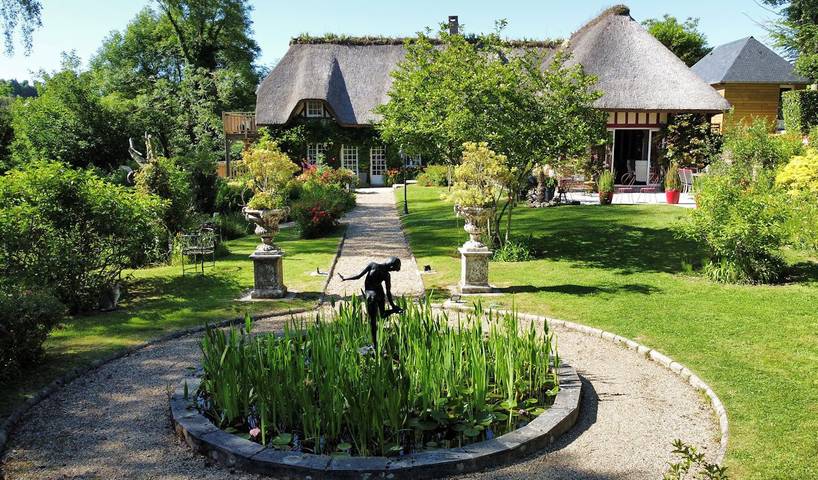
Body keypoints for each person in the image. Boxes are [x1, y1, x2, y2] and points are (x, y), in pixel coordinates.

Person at [338, 256, 403, 347]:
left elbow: (388, 292)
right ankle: (374, 343)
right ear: (391, 267)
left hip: (377, 293)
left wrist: (393, 305)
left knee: (377, 317)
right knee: (375, 318)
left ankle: (375, 344)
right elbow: (358, 276)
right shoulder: (373, 265)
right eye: (394, 269)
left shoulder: (386, 275)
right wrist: (346, 278)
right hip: (372, 293)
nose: (393, 271)